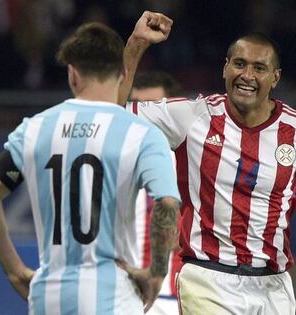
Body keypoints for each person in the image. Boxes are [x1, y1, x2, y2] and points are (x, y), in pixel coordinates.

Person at [0, 11, 180, 315]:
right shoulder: (141, 133)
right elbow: (167, 204)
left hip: (49, 297)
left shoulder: (35, 129)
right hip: (114, 294)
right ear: (123, 73)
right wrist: (156, 274)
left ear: (72, 73)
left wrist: (16, 272)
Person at [120, 31, 296, 314]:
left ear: (275, 77)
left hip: (274, 286)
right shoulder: (192, 116)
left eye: (259, 68)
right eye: (239, 64)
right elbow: (114, 109)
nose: (247, 75)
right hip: (207, 279)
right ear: (225, 67)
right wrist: (137, 42)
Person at [130, 71, 182, 315]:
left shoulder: (192, 164)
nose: (144, 118)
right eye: (137, 107)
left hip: (175, 299)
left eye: (153, 108)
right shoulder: (113, 163)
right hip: (121, 298)